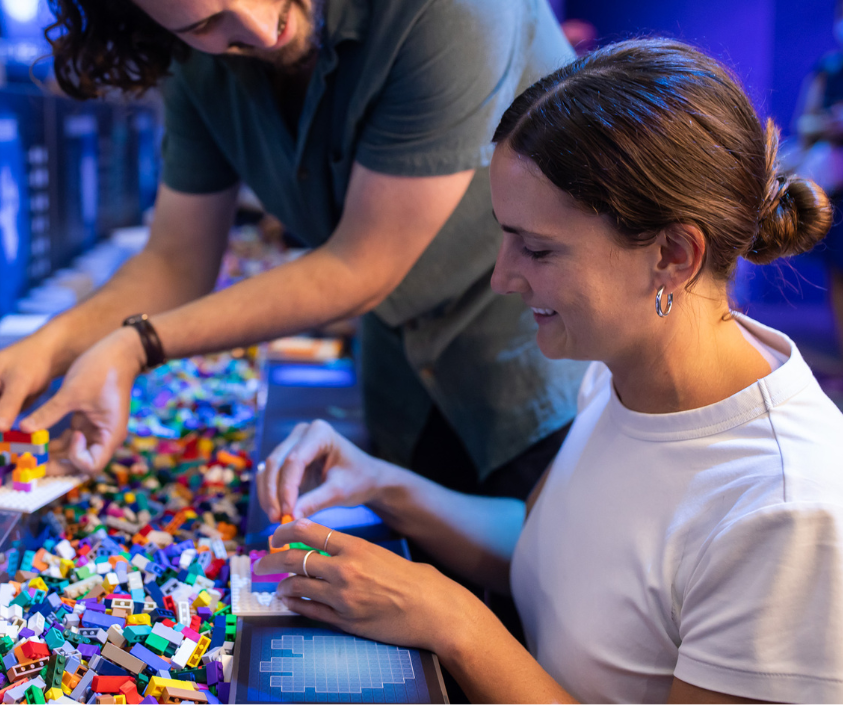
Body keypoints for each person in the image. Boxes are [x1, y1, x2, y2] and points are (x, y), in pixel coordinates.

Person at [254, 39, 842, 703]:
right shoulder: (619, 369)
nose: (503, 277)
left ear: (674, 255)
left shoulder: (788, 512)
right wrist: (383, 485)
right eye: (506, 238)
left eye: (537, 250)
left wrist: (456, 622)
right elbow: (549, 550)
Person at [0, 0, 587, 516]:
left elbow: (360, 268)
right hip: (405, 384)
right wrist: (45, 350)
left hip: (538, 366)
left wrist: (135, 345)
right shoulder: (194, 62)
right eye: (202, 24)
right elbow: (175, 260)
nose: (257, 30)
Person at [795, 0, 843, 360]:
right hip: (837, 184)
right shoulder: (828, 69)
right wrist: (829, 125)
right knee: (839, 269)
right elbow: (803, 123)